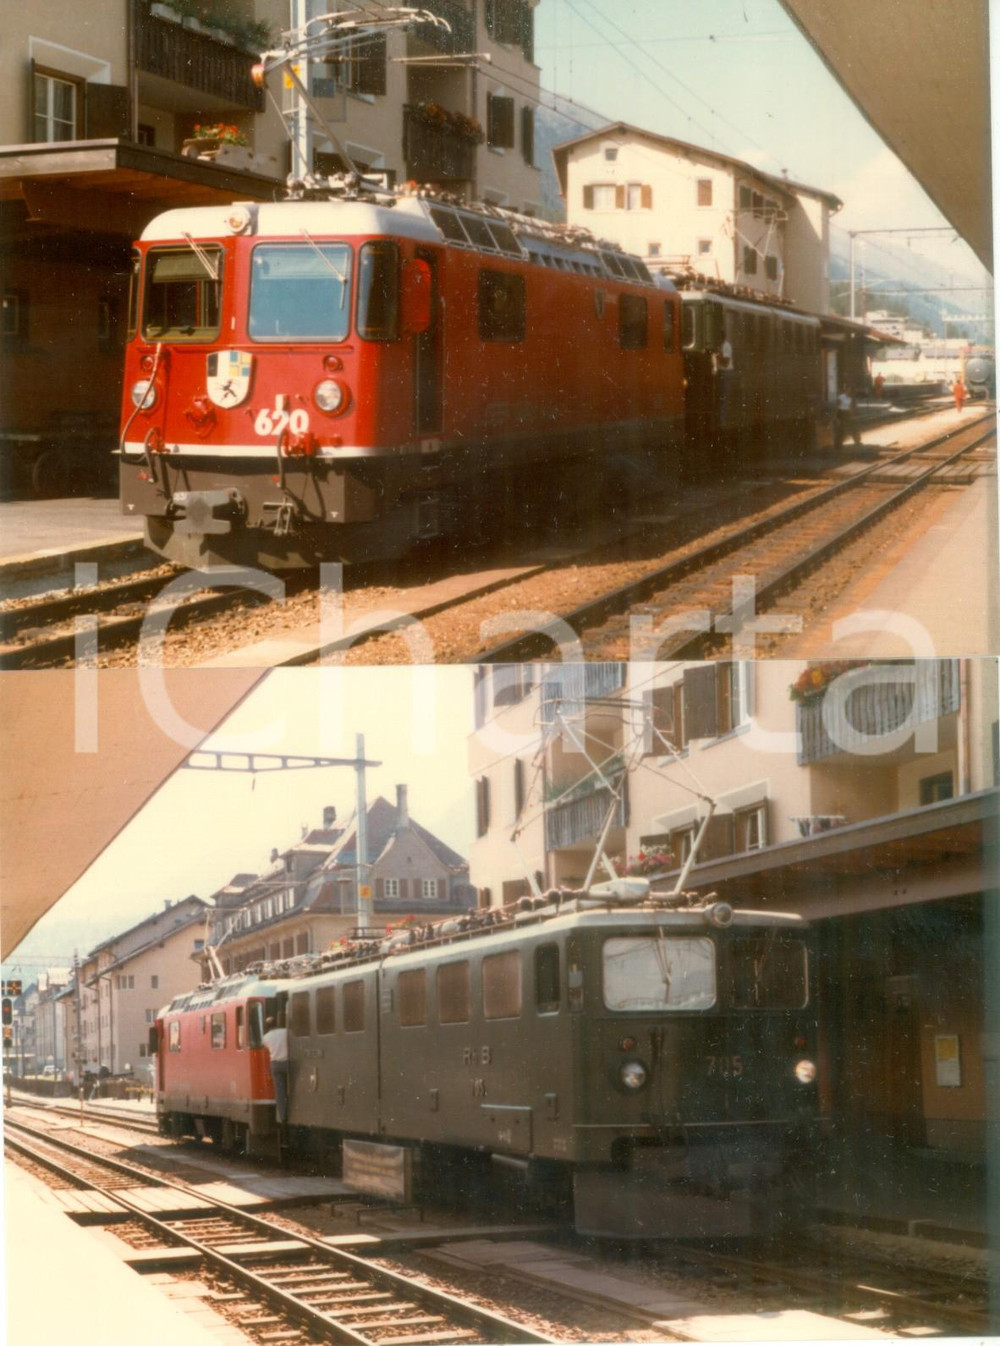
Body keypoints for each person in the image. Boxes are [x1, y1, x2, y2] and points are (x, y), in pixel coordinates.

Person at [262, 1016, 289, 1124]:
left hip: (275, 1065)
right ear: (276, 1023)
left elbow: (267, 1047)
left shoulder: (265, 1038)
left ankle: (283, 1115)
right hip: (287, 1063)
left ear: (267, 1027)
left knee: (279, 1091)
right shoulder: (285, 1032)